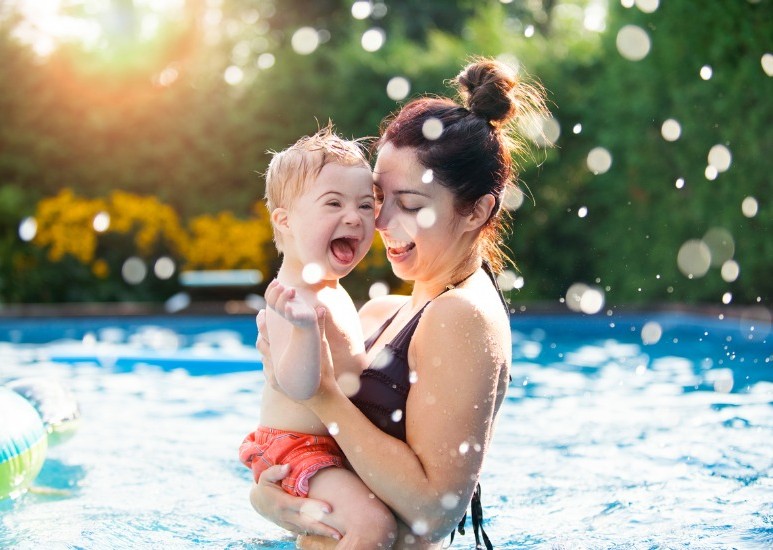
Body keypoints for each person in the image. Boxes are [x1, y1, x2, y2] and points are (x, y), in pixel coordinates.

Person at [252, 57, 549, 549]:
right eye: (377, 198)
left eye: (410, 205)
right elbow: (326, 454)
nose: (382, 222)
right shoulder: (381, 312)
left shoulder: (462, 316)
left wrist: (322, 394)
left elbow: (434, 511)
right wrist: (271, 499)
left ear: (477, 210)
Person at [239, 125, 398, 548]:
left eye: (366, 205)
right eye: (334, 203)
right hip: (297, 450)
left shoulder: (328, 286)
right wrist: (306, 330)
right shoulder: (289, 298)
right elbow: (298, 385)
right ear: (286, 219)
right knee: (373, 527)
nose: (354, 217)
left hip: (331, 444)